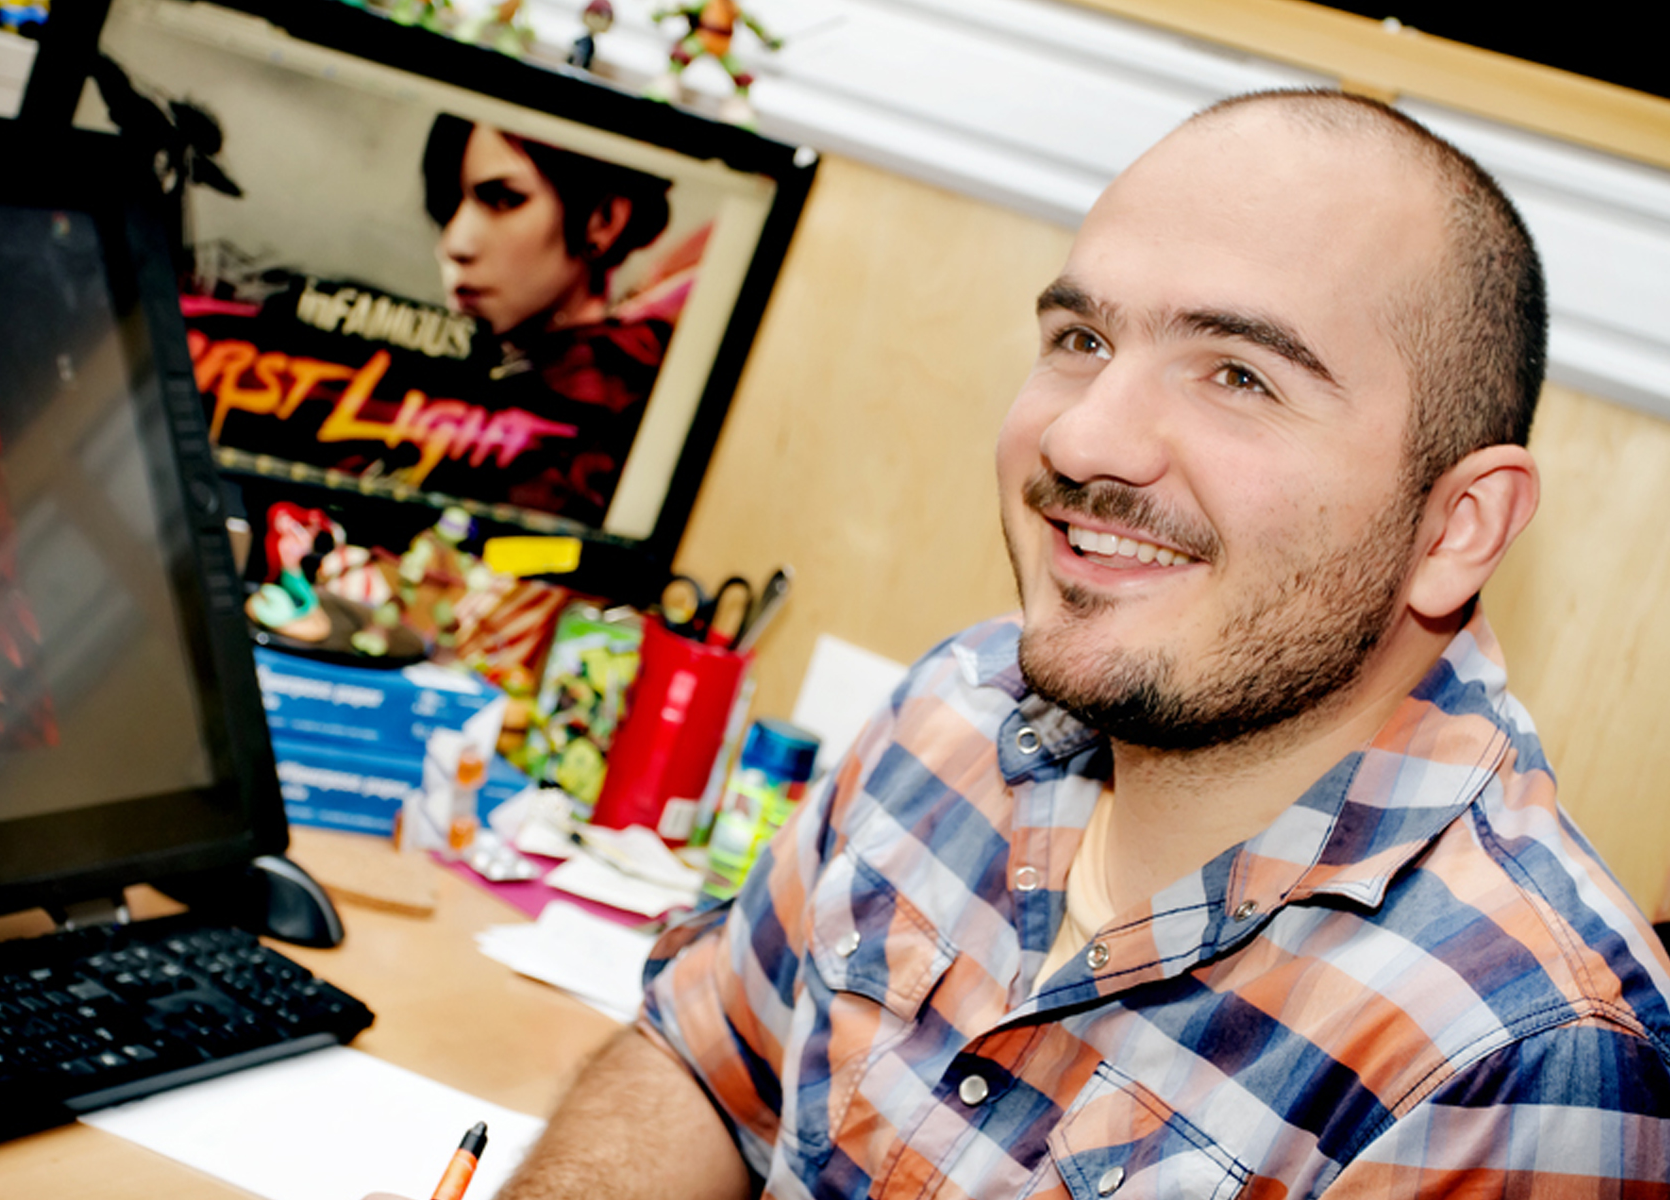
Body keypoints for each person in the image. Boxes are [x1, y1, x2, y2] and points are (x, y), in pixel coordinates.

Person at [372, 88, 1670, 1200]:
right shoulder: (958, 704)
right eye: (1082, 339)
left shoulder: (1524, 1052)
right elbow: (710, 1067)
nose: (1084, 439)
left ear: (1458, 526)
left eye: (1239, 375)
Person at [420, 115, 678, 525]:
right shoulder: (449, 375)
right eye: (447, 203)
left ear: (604, 219)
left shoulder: (624, 397)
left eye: (504, 200)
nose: (455, 243)